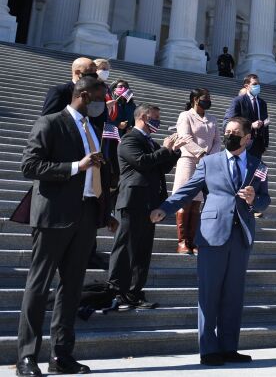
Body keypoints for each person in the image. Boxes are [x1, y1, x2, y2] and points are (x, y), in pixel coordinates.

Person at [16, 75, 117, 377]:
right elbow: (29, 166)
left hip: (85, 215)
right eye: (102, 96)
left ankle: (61, 355)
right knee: (38, 285)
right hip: (54, 215)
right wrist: (76, 166)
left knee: (72, 289)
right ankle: (26, 357)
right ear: (85, 96)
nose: (107, 102)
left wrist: (104, 210)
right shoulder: (50, 123)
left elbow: (95, 174)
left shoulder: (92, 129)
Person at [151, 116, 271, 366]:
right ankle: (208, 349)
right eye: (227, 131)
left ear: (247, 138)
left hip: (241, 235)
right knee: (209, 293)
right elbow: (187, 189)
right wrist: (165, 208)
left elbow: (264, 200)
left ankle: (229, 347)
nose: (229, 135)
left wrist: (253, 200)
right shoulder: (210, 161)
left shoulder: (258, 164)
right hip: (213, 232)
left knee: (233, 294)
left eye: (235, 132)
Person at [108, 104, 185, 309]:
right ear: (143, 117)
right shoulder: (129, 138)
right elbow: (141, 162)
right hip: (132, 201)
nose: (157, 122)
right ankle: (116, 291)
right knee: (125, 248)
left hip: (150, 204)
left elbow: (160, 167)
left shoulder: (150, 141)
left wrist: (174, 152)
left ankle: (134, 292)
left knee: (142, 251)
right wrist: (165, 149)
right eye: (155, 118)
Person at [174, 88, 222, 255]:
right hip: (189, 160)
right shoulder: (185, 116)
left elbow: (217, 141)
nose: (208, 100)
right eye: (205, 98)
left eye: (209, 98)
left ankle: (193, 240)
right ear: (195, 99)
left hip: (206, 163)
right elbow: (185, 137)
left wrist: (210, 156)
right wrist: (200, 153)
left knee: (197, 203)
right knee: (186, 201)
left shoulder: (212, 119)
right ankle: (182, 241)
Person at [223, 74, 269, 159]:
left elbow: (266, 124)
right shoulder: (238, 101)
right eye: (255, 84)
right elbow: (232, 121)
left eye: (258, 84)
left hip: (258, 145)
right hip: (242, 142)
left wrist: (265, 144)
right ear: (246, 86)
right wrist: (250, 125)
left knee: (254, 171)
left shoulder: (262, 103)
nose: (258, 86)